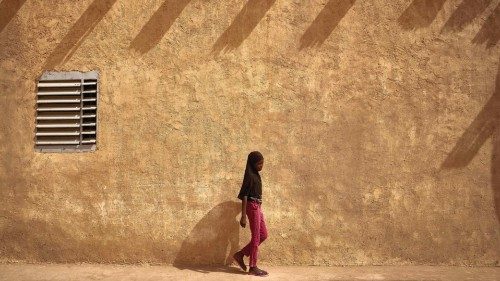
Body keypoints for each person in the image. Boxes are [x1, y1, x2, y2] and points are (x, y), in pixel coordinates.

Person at [233, 151, 269, 276]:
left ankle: (240, 254)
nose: (261, 166)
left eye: (262, 163)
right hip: (251, 206)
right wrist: (243, 216)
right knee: (256, 237)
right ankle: (253, 266)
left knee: (263, 234)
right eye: (259, 164)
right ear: (252, 164)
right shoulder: (249, 176)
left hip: (257, 206)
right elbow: (244, 196)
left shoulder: (256, 175)